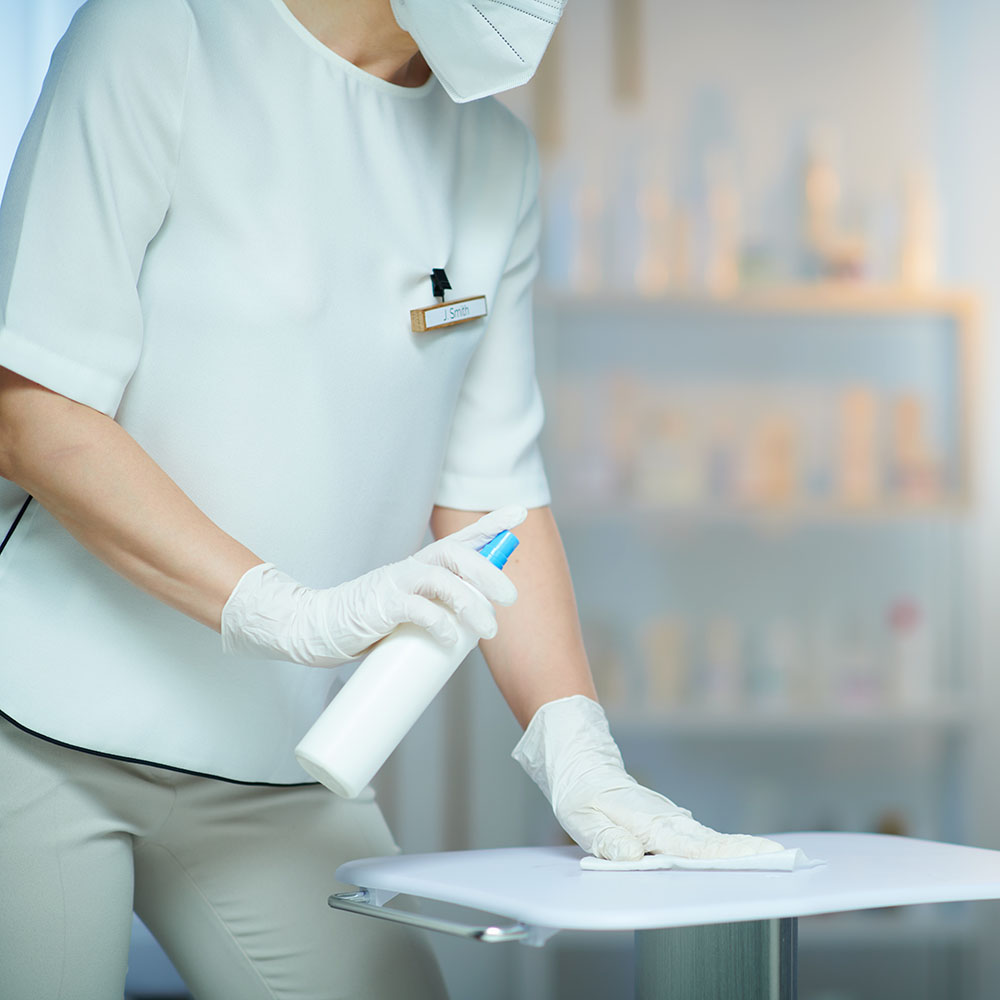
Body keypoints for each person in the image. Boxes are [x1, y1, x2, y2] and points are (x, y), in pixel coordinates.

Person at [0, 0, 780, 997]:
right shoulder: (165, 30)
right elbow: (35, 413)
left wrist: (578, 749)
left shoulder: (494, 162)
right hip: (35, 717)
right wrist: (286, 608)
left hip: (274, 756)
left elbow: (494, 492)